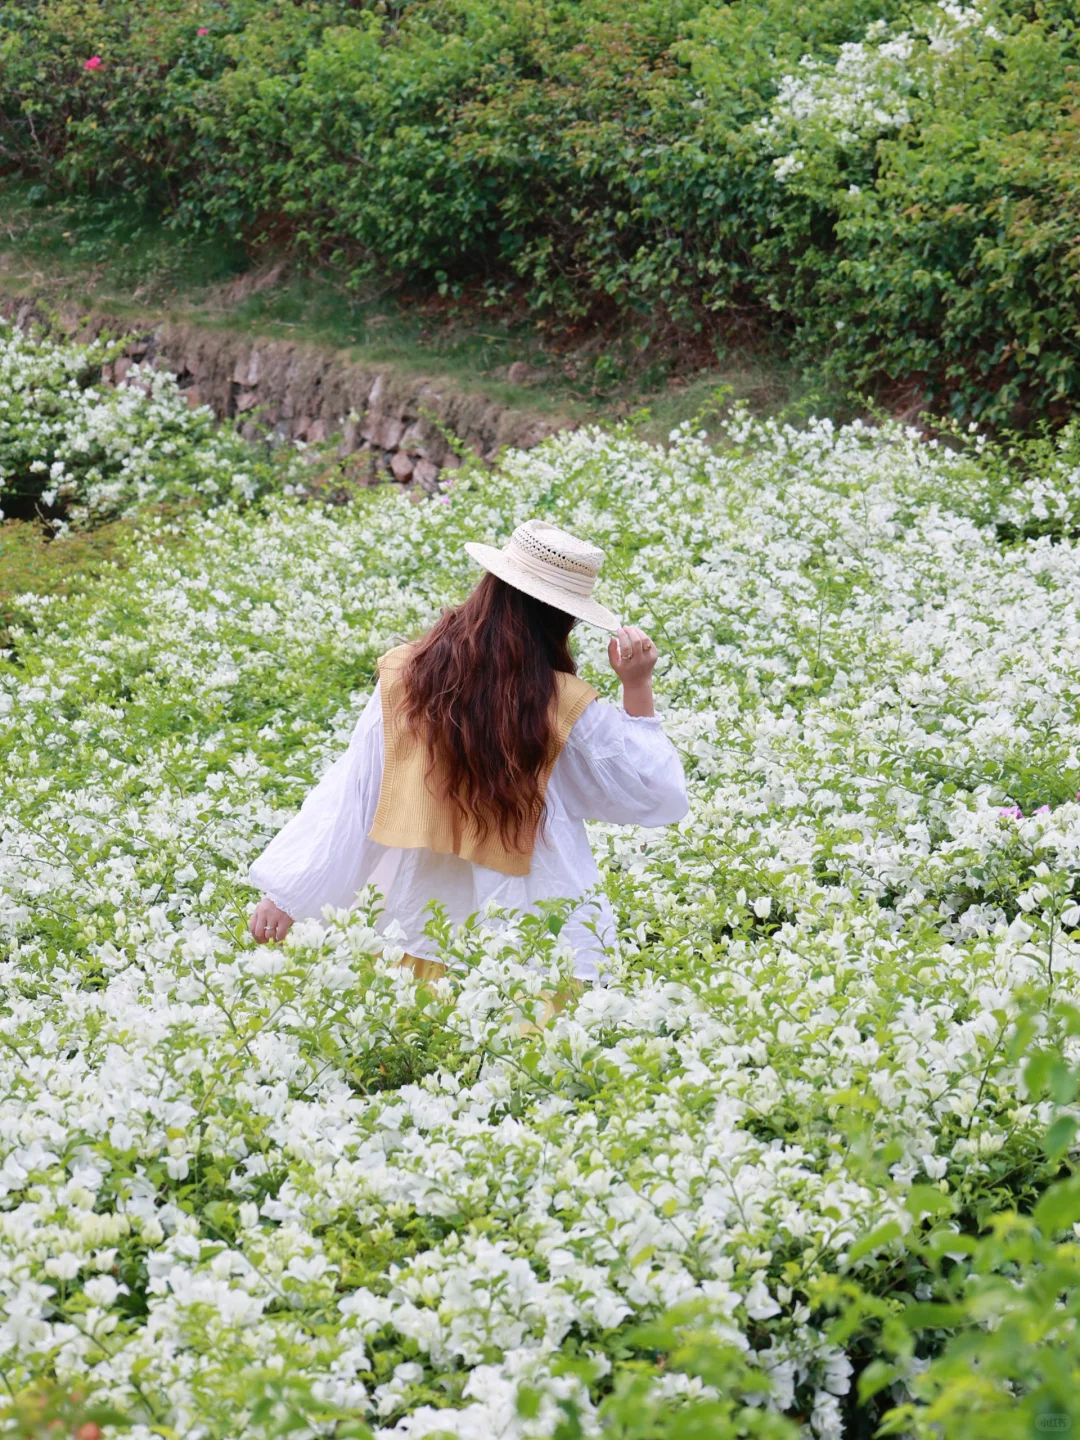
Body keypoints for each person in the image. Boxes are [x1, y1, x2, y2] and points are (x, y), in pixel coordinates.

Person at [247, 519, 688, 1010]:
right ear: (564, 619)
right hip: (537, 949)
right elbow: (658, 792)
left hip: (420, 934)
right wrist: (637, 686)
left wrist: (288, 895)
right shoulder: (563, 704)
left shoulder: (409, 674)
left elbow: (356, 794)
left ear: (490, 588)